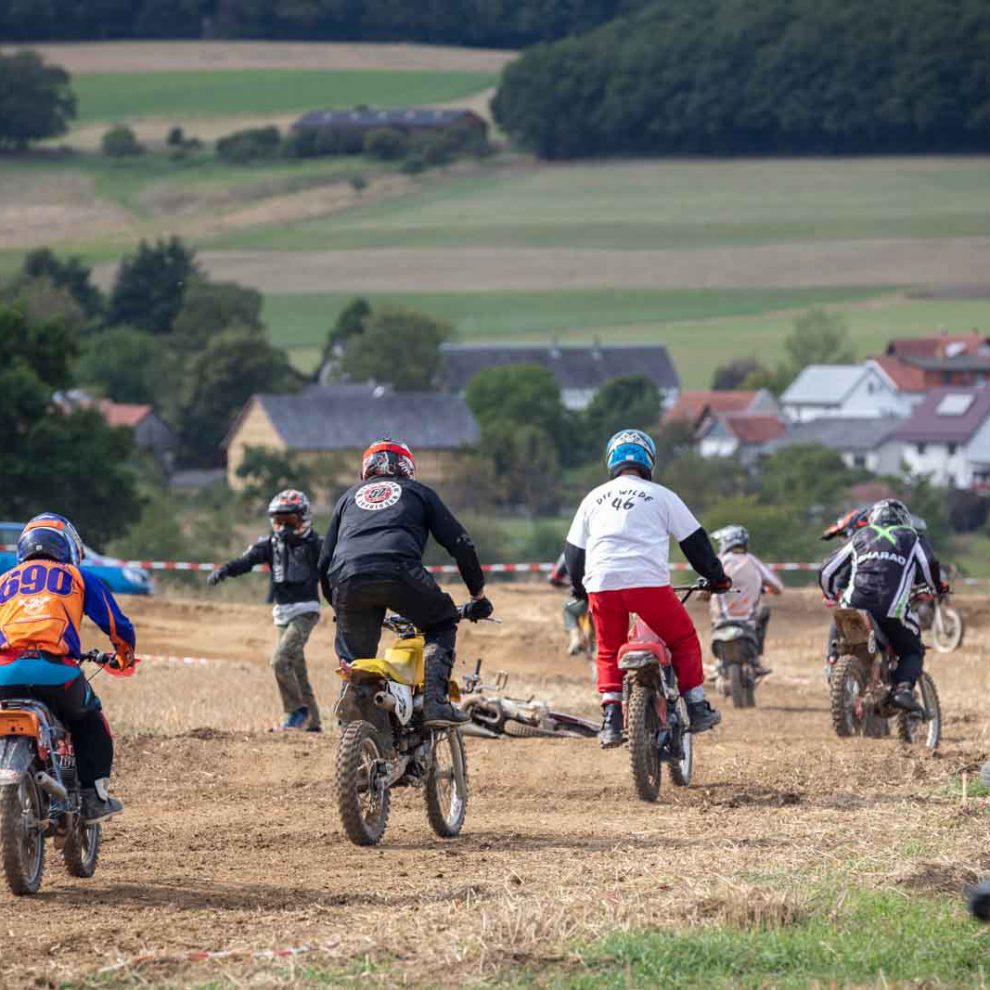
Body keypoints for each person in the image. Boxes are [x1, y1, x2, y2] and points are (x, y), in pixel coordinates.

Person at [564, 429, 731, 748]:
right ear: (648, 460)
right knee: (682, 638)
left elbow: (573, 553)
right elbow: (696, 545)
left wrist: (579, 589)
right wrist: (718, 578)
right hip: (648, 586)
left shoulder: (593, 499)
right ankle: (696, 708)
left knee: (609, 650)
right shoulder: (662, 496)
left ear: (611, 460)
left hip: (602, 586)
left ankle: (611, 720)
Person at [318, 439, 492, 726]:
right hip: (399, 571)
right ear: (407, 466)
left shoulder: (348, 497)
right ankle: (436, 703)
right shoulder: (418, 491)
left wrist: (339, 606)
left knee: (355, 658)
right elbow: (461, 544)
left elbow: (323, 563)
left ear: (366, 469)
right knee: (442, 623)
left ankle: (353, 713)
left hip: (346, 580)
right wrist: (478, 596)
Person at [0, 513, 136, 823]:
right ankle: (92, 797)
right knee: (90, 719)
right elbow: (117, 625)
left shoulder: (4, 580)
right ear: (67, 547)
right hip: (55, 673)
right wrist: (124, 656)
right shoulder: (77, 576)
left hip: (4, 673)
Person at [208, 490, 324, 732]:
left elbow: (334, 572)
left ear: (302, 519)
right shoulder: (269, 544)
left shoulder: (317, 544)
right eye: (278, 522)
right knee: (297, 668)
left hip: (307, 610)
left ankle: (296, 712)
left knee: (280, 660)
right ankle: (313, 725)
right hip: (282, 611)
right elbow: (246, 561)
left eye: (289, 522)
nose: (283, 528)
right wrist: (225, 571)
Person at [819, 498, 944, 712]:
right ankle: (903, 689)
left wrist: (830, 594)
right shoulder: (912, 537)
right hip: (891, 610)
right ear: (904, 520)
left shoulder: (860, 535)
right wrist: (935, 589)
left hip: (852, 608)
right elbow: (929, 564)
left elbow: (827, 570)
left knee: (843, 634)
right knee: (913, 649)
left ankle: (833, 659)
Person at [709, 524, 783, 676]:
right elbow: (777, 587)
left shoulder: (718, 562)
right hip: (748, 621)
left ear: (727, 542)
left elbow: (701, 591)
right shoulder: (752, 561)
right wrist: (762, 587)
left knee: (713, 609)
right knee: (764, 611)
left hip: (722, 620)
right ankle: (756, 659)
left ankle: (718, 663)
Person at [549, 552, 593, 656]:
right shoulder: (602, 546)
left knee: (568, 609)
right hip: (609, 596)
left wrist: (568, 584)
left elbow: (554, 578)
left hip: (584, 598)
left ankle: (575, 639)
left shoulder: (570, 552)